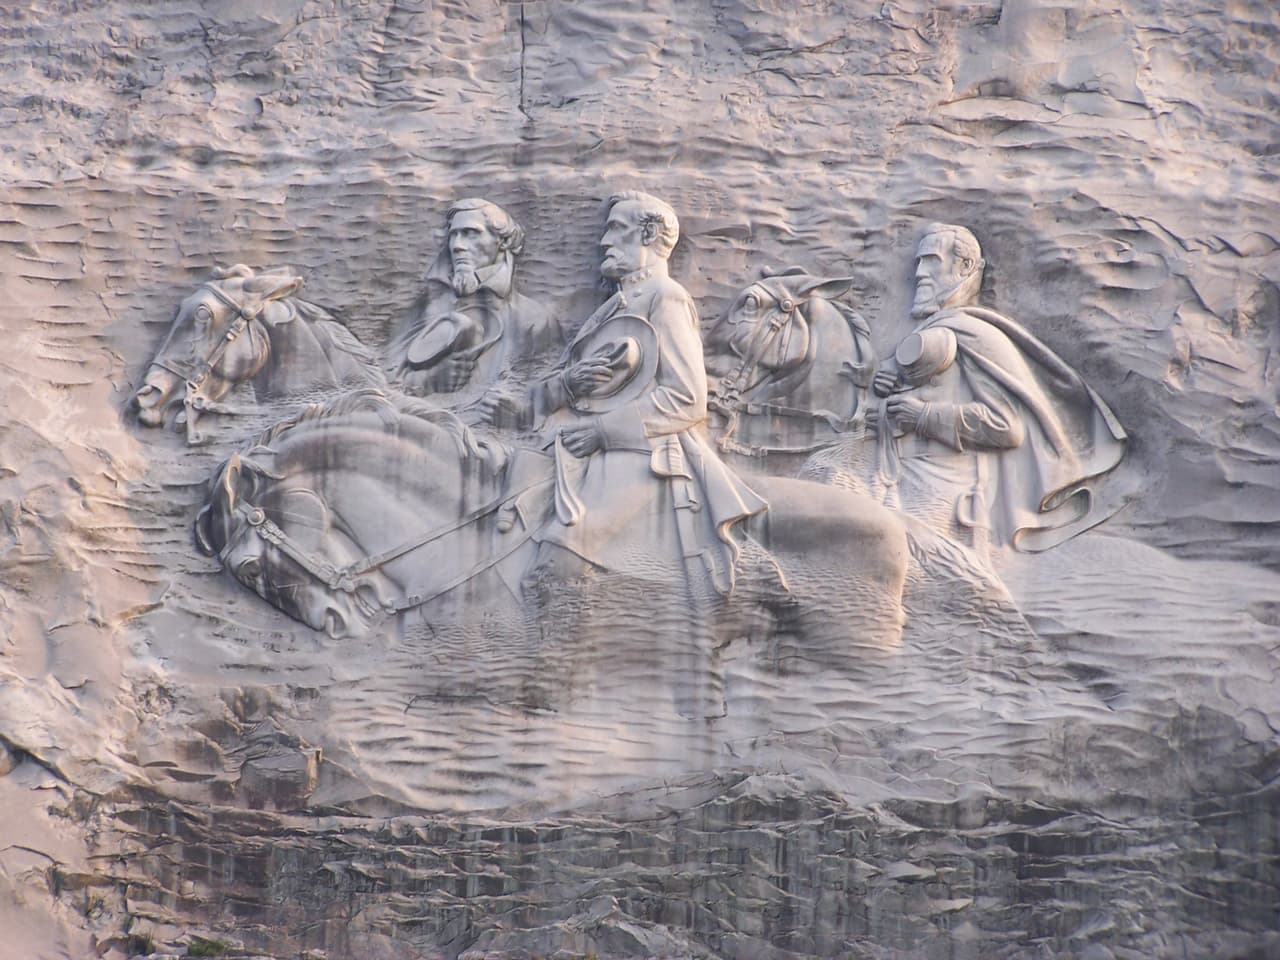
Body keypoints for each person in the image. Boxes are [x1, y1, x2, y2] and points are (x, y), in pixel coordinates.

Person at [525, 191, 771, 594]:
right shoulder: (615, 305)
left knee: (560, 559)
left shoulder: (665, 296)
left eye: (615, 229)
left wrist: (604, 432)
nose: (604, 242)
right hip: (578, 446)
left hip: (645, 454)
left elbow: (687, 398)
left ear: (650, 233)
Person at [867, 222, 1126, 556]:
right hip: (894, 480)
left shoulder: (978, 335)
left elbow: (1005, 428)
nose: (918, 273)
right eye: (918, 262)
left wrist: (923, 416)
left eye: (930, 261)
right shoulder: (928, 337)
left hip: (942, 497)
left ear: (965, 267)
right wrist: (885, 402)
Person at [387, 198, 558, 409]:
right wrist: (430, 379)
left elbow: (549, 393)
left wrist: (515, 410)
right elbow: (385, 380)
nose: (457, 246)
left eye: (470, 233)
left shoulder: (533, 318)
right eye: (454, 235)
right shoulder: (430, 307)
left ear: (502, 241)